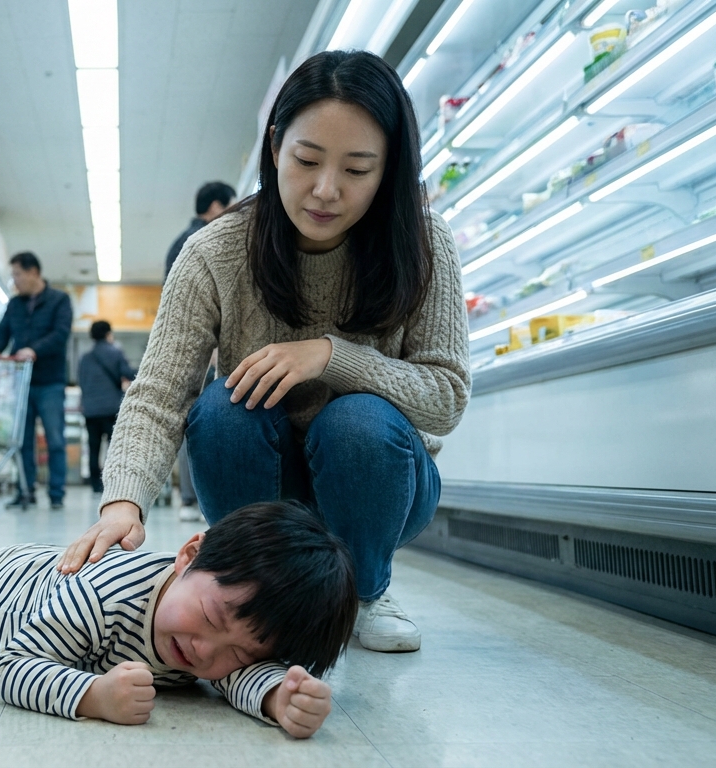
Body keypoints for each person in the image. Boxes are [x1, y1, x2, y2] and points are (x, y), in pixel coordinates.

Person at [58, 50, 471, 654]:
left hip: (381, 482)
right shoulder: (215, 252)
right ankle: (254, 589)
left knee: (356, 419)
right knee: (223, 409)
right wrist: (123, 503)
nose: (325, 191)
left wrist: (333, 357)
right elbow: (158, 395)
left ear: (389, 171)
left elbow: (446, 399)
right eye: (306, 160)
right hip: (263, 478)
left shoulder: (425, 244)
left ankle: (364, 593)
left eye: (358, 170)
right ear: (275, 146)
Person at [0, 500, 356, 738]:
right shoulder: (106, 596)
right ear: (189, 554)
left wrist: (276, 696)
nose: (209, 652)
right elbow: (14, 667)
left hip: (45, 593)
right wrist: (93, 696)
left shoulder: (219, 634)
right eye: (211, 617)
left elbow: (241, 669)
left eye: (243, 653)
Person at [166, 182, 236, 521]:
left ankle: (189, 499)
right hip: (207, 350)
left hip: (192, 345)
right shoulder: (205, 241)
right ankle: (193, 500)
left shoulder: (177, 243)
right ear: (215, 206)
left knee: (191, 418)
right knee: (202, 418)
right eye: (230, 206)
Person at [0, 252, 74, 509]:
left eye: (17, 274)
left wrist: (34, 350)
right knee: (21, 441)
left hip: (50, 382)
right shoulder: (15, 304)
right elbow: (3, 332)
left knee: (55, 438)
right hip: (20, 383)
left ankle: (56, 494)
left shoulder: (59, 300)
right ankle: (26, 491)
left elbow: (60, 335)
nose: (15, 281)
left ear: (33, 272)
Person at [76, 320, 136, 494]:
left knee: (93, 447)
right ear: (108, 334)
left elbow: (82, 382)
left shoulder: (85, 358)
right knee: (113, 447)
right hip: (111, 409)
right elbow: (128, 373)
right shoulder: (115, 352)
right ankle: (111, 481)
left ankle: (95, 484)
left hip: (91, 410)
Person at [165, 180, 236, 279]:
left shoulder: (187, 237)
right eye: (231, 208)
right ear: (215, 207)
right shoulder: (207, 239)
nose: (234, 215)